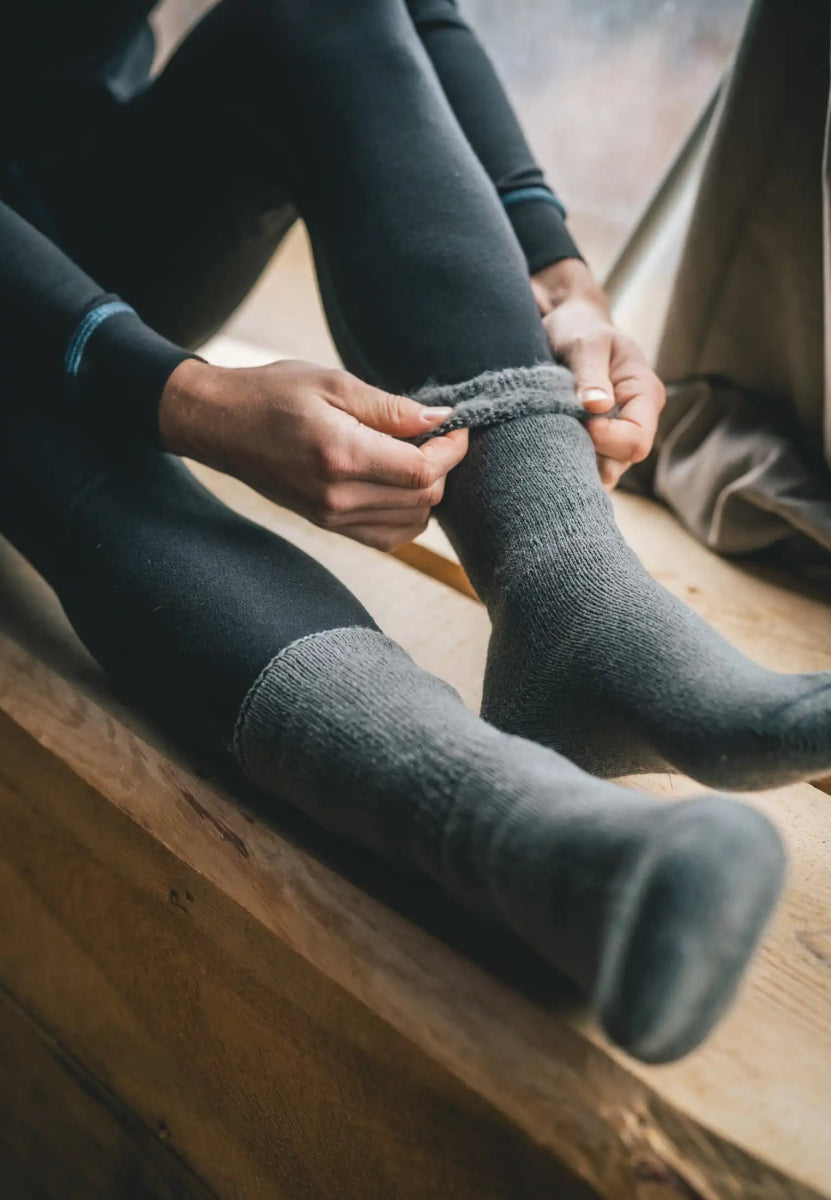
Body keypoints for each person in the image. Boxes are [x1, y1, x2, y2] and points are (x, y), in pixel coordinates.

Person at [1, 0, 825, 1065]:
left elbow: (411, 16)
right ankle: (484, 821)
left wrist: (560, 274)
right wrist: (180, 395)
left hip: (68, 212)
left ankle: (575, 606)